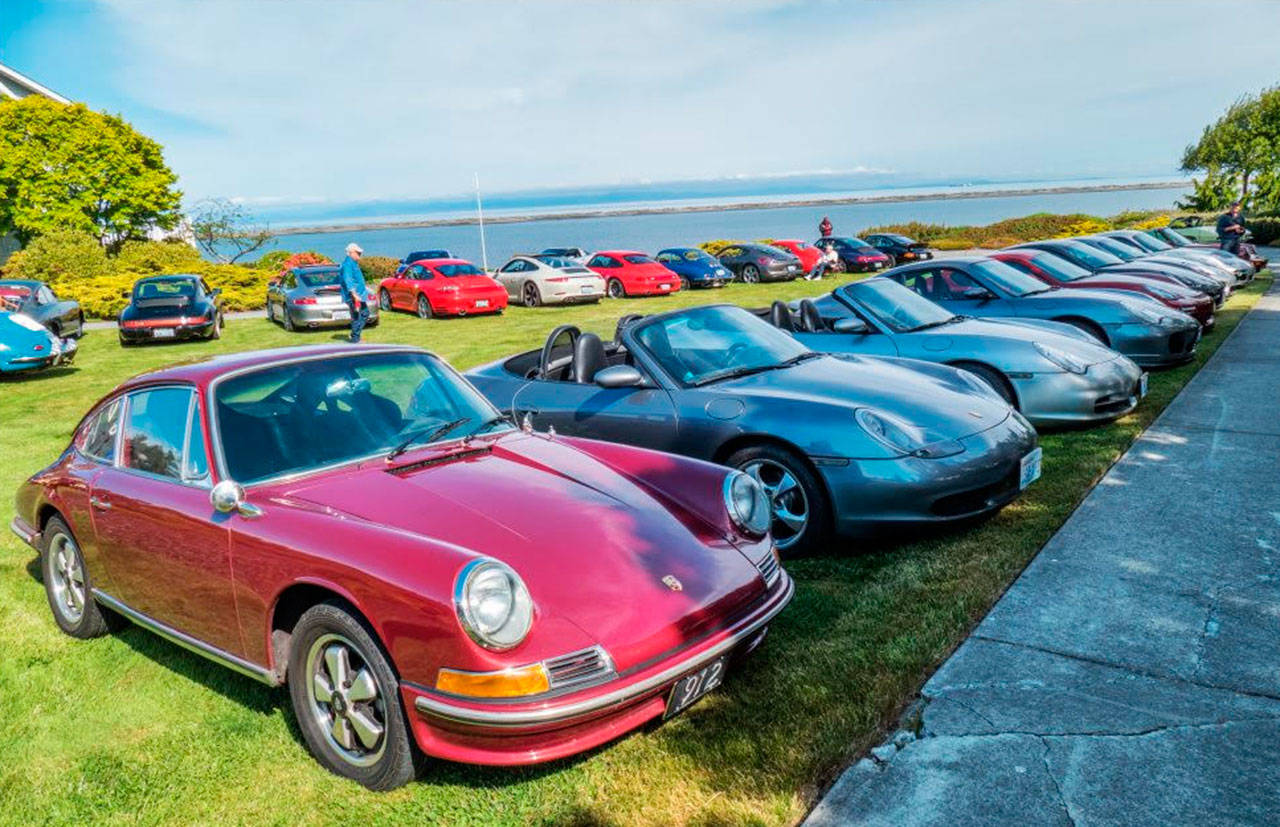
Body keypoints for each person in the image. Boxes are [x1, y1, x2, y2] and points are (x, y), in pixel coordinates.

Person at [339, 242, 370, 343]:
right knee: (358, 315)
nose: (359, 254)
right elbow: (348, 280)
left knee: (364, 313)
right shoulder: (347, 264)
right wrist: (354, 294)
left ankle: (355, 335)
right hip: (354, 296)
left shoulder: (353, 263)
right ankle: (355, 339)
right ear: (351, 252)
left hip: (359, 295)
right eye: (358, 252)